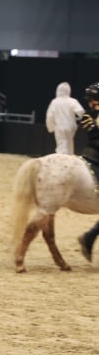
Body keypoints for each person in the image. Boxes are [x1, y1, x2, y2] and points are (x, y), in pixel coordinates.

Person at [77, 83, 99, 260]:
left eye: (92, 99)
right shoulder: (88, 116)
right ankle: (90, 236)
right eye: (91, 100)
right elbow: (94, 137)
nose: (91, 103)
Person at [45, 82, 84, 155]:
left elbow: (49, 116)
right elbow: (81, 111)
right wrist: (81, 119)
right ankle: (70, 159)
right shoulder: (72, 101)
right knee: (70, 145)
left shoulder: (55, 102)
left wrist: (50, 127)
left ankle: (62, 161)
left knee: (61, 146)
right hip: (71, 126)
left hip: (59, 127)